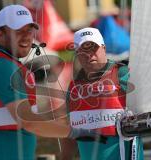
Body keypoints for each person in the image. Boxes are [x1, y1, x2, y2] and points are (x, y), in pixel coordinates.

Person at [0, 5, 101, 160]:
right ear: (1, 33)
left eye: (29, 30)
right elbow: (29, 122)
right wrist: (79, 133)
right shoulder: (2, 66)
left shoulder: (3, 63)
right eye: (18, 31)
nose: (26, 36)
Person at [60, 27, 144, 160]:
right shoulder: (73, 87)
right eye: (83, 50)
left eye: (93, 48)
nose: (89, 54)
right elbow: (68, 130)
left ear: (103, 48)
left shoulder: (123, 74)